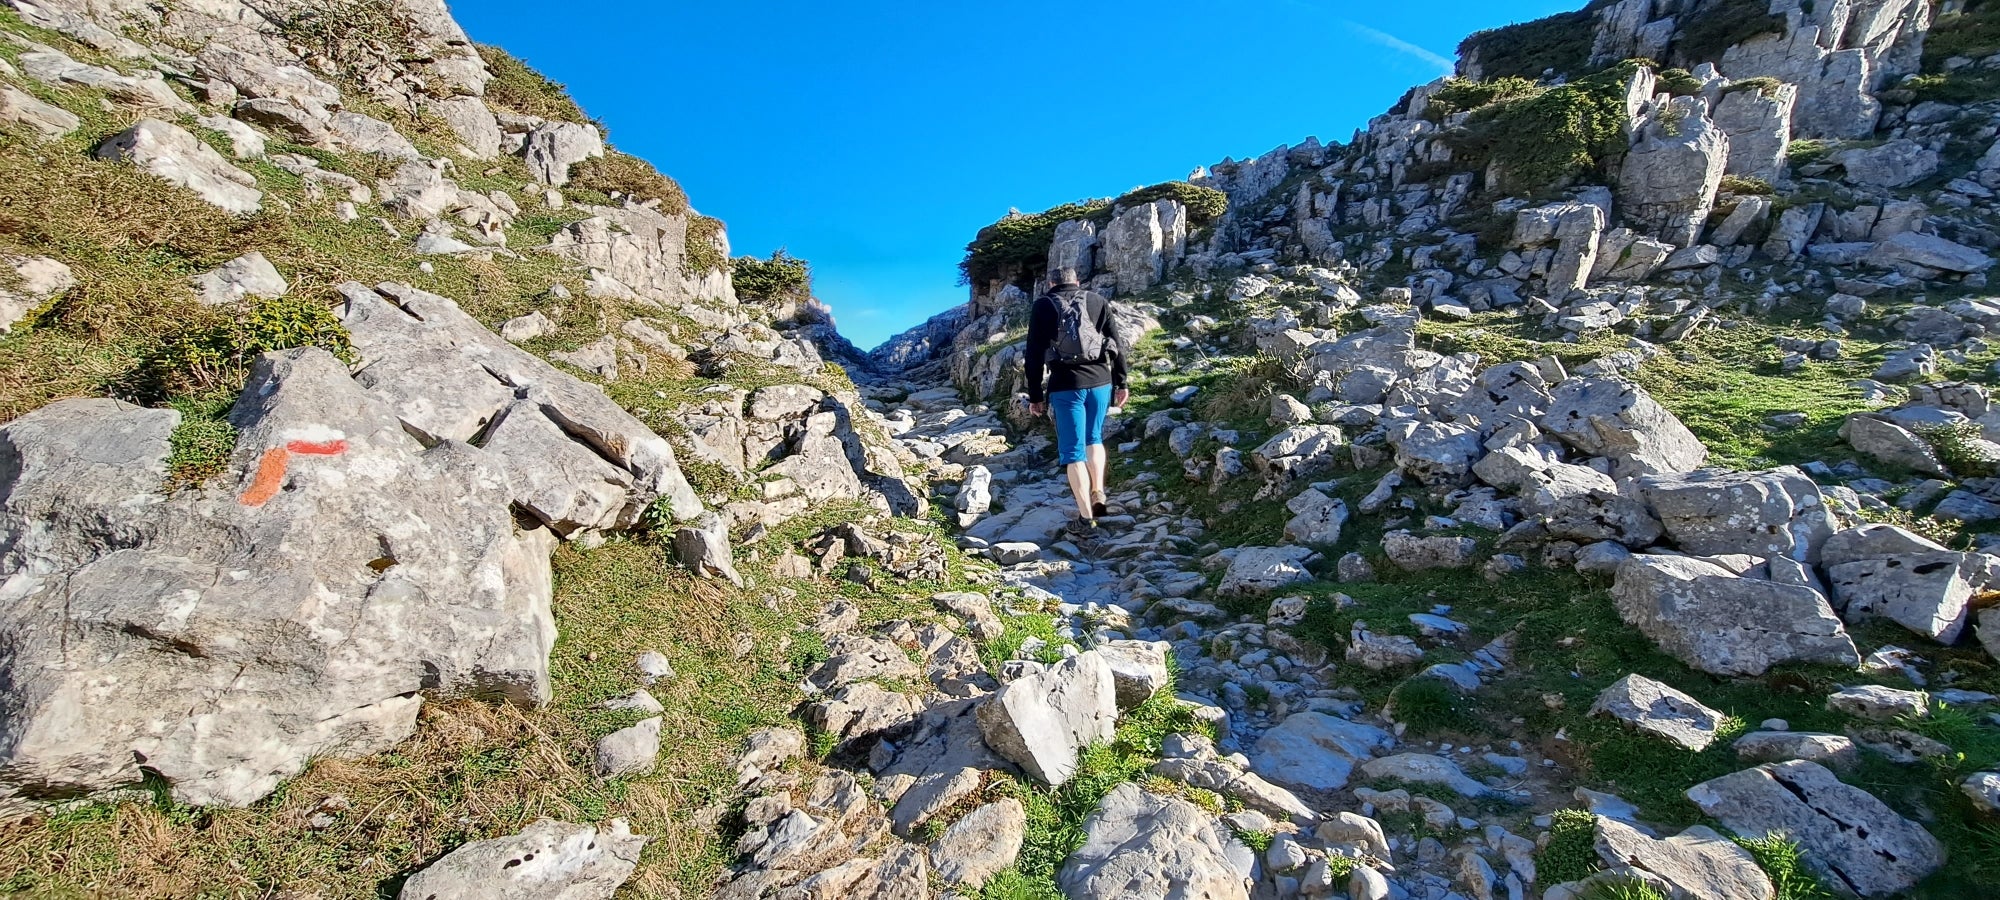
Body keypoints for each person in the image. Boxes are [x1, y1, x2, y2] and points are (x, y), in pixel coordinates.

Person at [1025, 274, 1128, 537]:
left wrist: (1035, 394)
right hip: (1101, 383)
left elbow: (1034, 354)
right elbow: (1116, 342)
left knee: (1073, 453)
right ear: (1078, 281)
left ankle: (1086, 520)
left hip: (1066, 385)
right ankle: (1099, 494)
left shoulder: (1043, 306)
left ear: (1050, 284)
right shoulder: (1097, 300)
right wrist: (1122, 383)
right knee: (1094, 439)